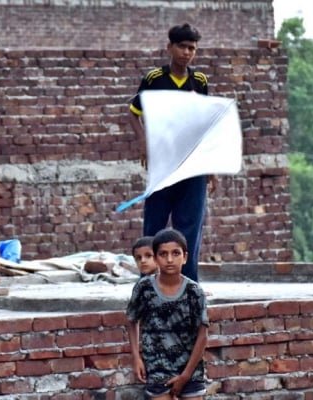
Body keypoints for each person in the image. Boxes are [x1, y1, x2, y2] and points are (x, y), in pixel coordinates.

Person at [129, 23, 218, 283]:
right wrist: (143, 142)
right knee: (154, 225)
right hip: (163, 165)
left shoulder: (199, 81)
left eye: (192, 48)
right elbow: (134, 114)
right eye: (182, 46)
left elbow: (203, 125)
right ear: (170, 47)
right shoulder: (155, 79)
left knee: (189, 228)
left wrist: (210, 169)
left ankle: (188, 285)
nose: (187, 52)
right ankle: (147, 284)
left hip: (193, 165)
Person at [126, 228, 208, 399]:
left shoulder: (195, 292)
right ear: (156, 258)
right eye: (163, 254)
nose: (170, 259)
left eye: (176, 253)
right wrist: (136, 358)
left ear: (185, 257)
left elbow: (203, 335)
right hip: (157, 367)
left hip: (190, 369)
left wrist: (185, 376)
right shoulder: (144, 288)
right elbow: (132, 320)